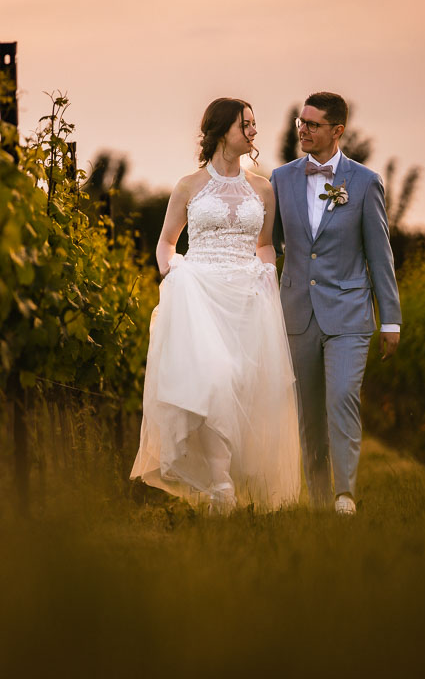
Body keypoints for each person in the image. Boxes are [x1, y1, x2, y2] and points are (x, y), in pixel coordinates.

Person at [131, 98, 301, 512]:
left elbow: (265, 245)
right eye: (247, 124)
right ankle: (220, 487)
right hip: (199, 297)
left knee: (244, 386)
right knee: (214, 379)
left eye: (255, 124)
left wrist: (267, 283)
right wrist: (174, 279)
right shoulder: (189, 186)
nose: (254, 131)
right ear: (223, 130)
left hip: (247, 300)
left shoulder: (262, 188)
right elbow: (166, 243)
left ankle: (232, 483)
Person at [270, 91, 401, 515]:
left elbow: (380, 255)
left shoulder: (364, 182)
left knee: (342, 396)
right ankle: (320, 498)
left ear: (337, 130)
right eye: (300, 123)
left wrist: (391, 320)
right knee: (308, 414)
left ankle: (345, 496)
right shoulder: (280, 178)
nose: (303, 130)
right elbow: (265, 247)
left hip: (349, 313)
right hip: (296, 314)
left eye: (312, 124)